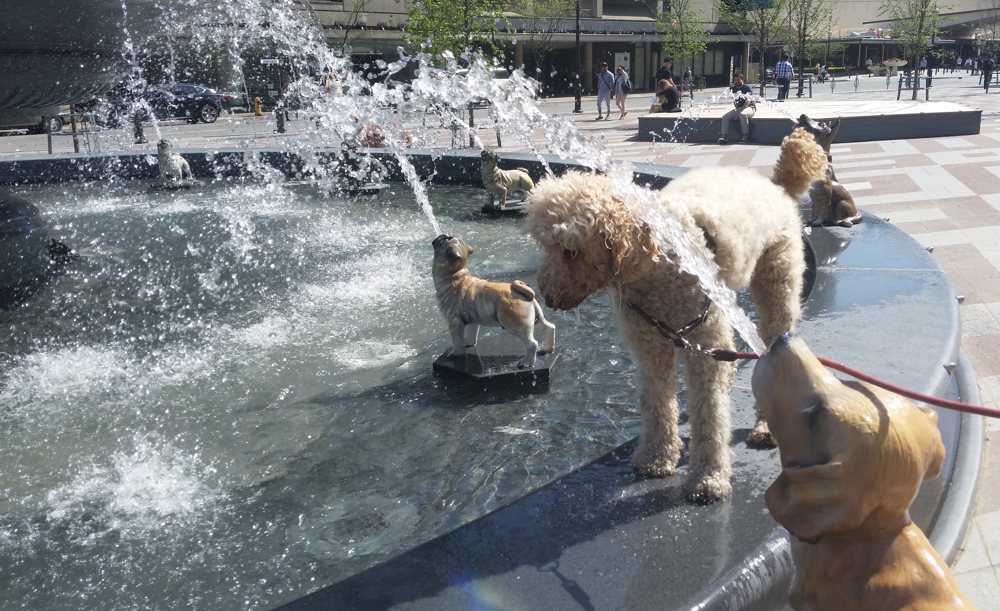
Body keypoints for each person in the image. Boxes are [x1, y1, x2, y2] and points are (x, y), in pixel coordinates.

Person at [719, 73, 754, 144]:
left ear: (742, 80)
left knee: (742, 115)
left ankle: (746, 137)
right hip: (740, 108)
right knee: (725, 117)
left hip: (750, 107)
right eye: (735, 80)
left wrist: (738, 113)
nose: (737, 81)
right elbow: (735, 102)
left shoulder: (747, 88)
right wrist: (736, 110)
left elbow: (748, 102)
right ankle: (723, 137)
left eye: (739, 79)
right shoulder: (733, 88)